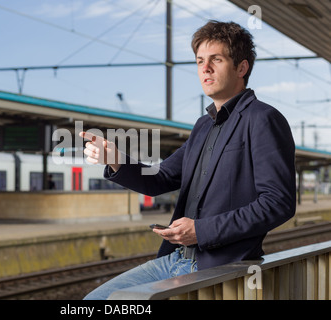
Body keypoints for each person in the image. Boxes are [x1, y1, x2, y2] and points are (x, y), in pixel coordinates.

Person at [80, 20, 296, 300]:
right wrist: (118, 160)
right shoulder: (203, 126)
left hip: (221, 266)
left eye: (216, 60)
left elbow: (278, 203)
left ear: (241, 68)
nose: (204, 69)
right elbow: (160, 178)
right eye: (199, 61)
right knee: (93, 302)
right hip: (175, 260)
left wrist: (201, 231)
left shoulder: (263, 119)